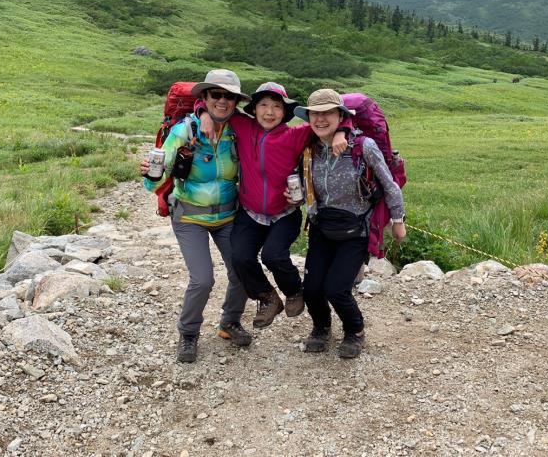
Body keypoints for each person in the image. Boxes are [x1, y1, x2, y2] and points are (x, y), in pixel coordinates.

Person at [197, 82, 348, 328]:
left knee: (273, 255)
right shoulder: (242, 125)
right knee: (240, 257)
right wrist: (203, 113)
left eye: (276, 106)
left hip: (284, 213)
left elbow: (330, 123)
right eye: (263, 105)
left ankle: (294, 291)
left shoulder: (295, 135)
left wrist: (342, 132)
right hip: (250, 213)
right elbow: (213, 105)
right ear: (253, 109)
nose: (269, 112)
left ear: (285, 111)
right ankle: (267, 297)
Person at [140, 69, 251, 364]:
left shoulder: (238, 130)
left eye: (230, 96)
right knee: (202, 280)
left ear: (237, 102)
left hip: (227, 216)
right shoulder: (185, 130)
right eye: (216, 95)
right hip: (189, 216)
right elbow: (154, 179)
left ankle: (230, 322)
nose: (223, 101)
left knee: (242, 271)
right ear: (204, 97)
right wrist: (151, 175)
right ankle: (188, 333)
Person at [293, 89, 406, 359]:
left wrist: (398, 220)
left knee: (336, 289)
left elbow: (390, 185)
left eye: (327, 113)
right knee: (312, 288)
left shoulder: (363, 146)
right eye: (315, 113)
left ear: (341, 116)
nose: (320, 119)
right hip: (321, 227)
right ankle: (321, 327)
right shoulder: (309, 148)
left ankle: (355, 331)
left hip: (356, 230)